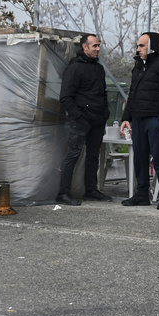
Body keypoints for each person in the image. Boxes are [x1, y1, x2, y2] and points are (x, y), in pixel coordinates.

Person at [120, 32, 159, 209]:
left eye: (142, 46)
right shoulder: (138, 66)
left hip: (155, 120)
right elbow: (133, 93)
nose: (138, 49)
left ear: (153, 47)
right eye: (138, 46)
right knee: (139, 158)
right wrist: (126, 117)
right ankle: (142, 194)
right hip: (138, 120)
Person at [56, 34, 111, 206]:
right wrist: (78, 117)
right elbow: (65, 97)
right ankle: (63, 193)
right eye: (94, 46)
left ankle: (91, 190)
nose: (98, 49)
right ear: (84, 47)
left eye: (98, 45)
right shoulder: (75, 68)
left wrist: (105, 114)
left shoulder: (98, 68)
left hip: (97, 120)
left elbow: (103, 94)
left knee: (93, 156)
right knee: (73, 155)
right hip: (82, 120)